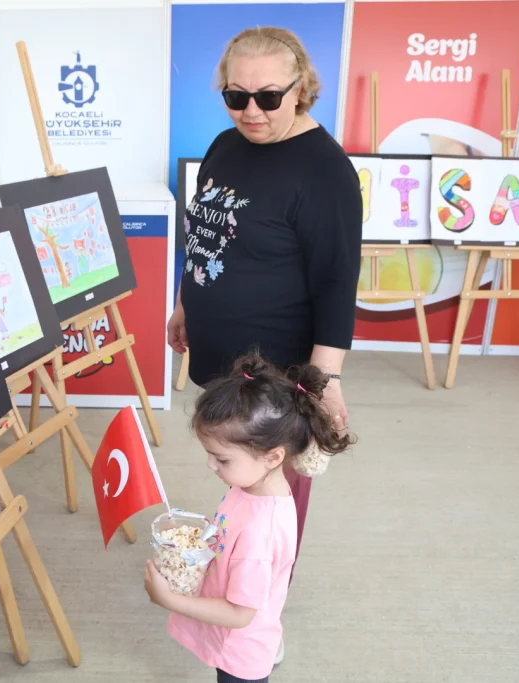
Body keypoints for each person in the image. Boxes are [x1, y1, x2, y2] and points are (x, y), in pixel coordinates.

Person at [168, 26, 361, 602]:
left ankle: (258, 609)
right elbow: (205, 235)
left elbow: (337, 282)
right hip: (224, 358)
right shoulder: (225, 145)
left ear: (301, 89)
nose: (251, 111)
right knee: (238, 479)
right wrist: (185, 302)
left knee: (274, 497)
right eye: (236, 96)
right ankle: (237, 575)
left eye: (269, 97)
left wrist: (326, 381)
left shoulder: (325, 171)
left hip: (280, 372)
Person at [144, 353, 354, 682]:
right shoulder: (250, 487)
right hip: (231, 642)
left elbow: (240, 613)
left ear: (273, 456)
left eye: (221, 459)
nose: (211, 465)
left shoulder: (260, 533)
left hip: (239, 654)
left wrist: (168, 599)